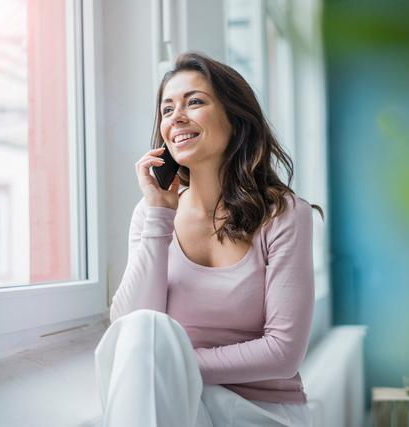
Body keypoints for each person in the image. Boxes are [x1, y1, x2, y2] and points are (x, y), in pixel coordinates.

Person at [94, 52, 323, 427]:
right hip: (182, 403)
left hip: (261, 411)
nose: (176, 118)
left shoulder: (282, 214)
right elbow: (131, 332)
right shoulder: (151, 214)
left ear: (235, 118)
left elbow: (284, 352)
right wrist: (158, 216)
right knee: (142, 330)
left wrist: (169, 365)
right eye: (167, 110)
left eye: (194, 102)